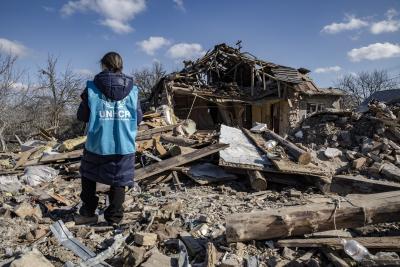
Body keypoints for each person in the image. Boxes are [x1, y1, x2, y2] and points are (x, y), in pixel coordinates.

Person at [75, 52, 142, 226]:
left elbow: (82, 116)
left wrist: (86, 102)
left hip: (98, 142)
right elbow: (139, 118)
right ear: (121, 65)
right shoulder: (133, 90)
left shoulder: (92, 88)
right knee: (119, 179)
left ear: (103, 65)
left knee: (88, 174)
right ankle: (114, 218)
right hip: (124, 144)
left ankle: (88, 212)